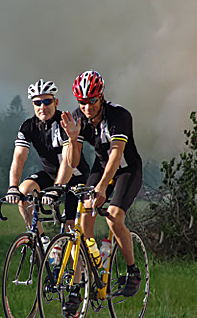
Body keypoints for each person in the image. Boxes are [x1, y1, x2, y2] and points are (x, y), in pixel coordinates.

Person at [61, 71, 143, 302]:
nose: (87, 107)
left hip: (126, 167)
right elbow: (74, 163)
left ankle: (132, 272)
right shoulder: (77, 117)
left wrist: (103, 187)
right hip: (100, 165)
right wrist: (74, 139)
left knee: (113, 217)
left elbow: (116, 154)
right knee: (82, 220)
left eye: (92, 101)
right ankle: (81, 283)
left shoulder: (119, 115)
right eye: (82, 102)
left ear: (102, 97)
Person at [5, 79, 90, 238]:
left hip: (75, 177)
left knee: (70, 228)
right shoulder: (28, 126)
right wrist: (13, 186)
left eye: (47, 101)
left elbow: (67, 161)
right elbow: (19, 157)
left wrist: (58, 187)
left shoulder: (65, 122)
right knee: (24, 194)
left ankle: (79, 261)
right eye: (37, 103)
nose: (42, 107)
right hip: (51, 175)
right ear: (33, 105)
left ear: (55, 102)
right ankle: (41, 241)